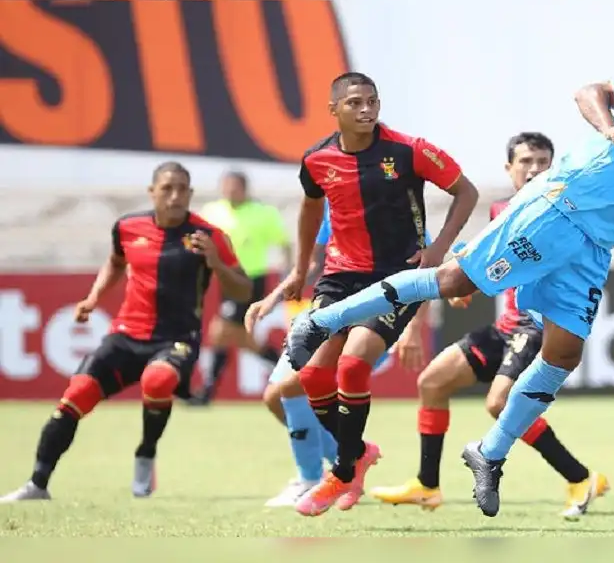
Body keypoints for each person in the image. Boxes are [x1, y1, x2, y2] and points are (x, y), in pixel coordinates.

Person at [285, 61, 614, 517]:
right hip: (560, 208)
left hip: (594, 245)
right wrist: (610, 128)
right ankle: (321, 321)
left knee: (563, 354)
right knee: (454, 280)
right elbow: (591, 92)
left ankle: (489, 453)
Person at [271, 72, 479, 517]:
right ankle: (358, 454)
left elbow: (466, 191)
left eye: (372, 101)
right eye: (355, 103)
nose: (366, 110)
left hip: (396, 276)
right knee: (312, 375)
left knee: (352, 363)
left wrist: (438, 250)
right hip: (339, 277)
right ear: (334, 110)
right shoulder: (317, 160)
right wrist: (300, 268)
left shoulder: (409, 150)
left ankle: (342, 472)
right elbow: (310, 210)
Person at [369, 132, 608, 519]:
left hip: (537, 325)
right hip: (505, 327)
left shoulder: (563, 209)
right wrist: (467, 286)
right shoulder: (501, 210)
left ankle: (580, 479)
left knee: (499, 404)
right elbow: (496, 260)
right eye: (526, 161)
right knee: (433, 383)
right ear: (509, 168)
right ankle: (427, 486)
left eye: (542, 162)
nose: (534, 169)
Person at [0, 162, 250, 502]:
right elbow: (115, 262)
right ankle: (37, 484)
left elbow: (242, 290)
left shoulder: (210, 236)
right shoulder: (128, 227)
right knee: (76, 394)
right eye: (167, 188)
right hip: (126, 335)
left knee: (158, 381)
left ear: (191, 194)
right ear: (152, 192)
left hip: (176, 339)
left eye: (182, 189)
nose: (175, 196)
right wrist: (93, 297)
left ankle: (146, 453)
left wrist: (216, 263)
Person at [246, 201, 431, 508]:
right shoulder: (331, 204)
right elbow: (312, 264)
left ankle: (314, 477)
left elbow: (425, 269)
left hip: (374, 315)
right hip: (330, 310)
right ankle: (350, 460)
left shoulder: (395, 196)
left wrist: (413, 327)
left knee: (290, 389)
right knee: (274, 397)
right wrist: (274, 296)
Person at [188, 170, 291, 405]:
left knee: (220, 332)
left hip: (250, 280)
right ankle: (289, 372)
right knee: (241, 338)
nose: (229, 191)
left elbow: (284, 243)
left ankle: (206, 393)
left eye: (234, 187)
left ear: (244, 189)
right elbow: (196, 240)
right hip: (224, 278)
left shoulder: (263, 213)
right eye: (226, 186)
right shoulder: (212, 211)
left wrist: (286, 276)